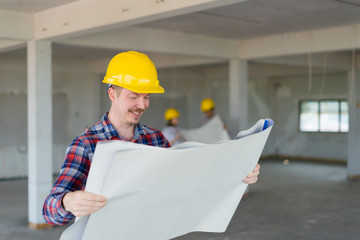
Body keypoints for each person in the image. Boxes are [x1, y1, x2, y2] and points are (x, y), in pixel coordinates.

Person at [42, 51, 260, 225]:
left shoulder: (156, 139)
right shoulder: (86, 144)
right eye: (134, 96)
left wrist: (237, 174)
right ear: (112, 94)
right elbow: (49, 210)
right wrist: (68, 201)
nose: (143, 105)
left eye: (147, 97)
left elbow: (187, 182)